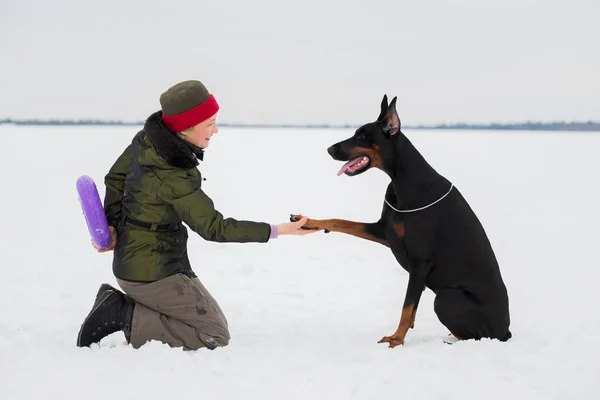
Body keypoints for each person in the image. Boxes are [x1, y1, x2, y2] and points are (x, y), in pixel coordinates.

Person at [76, 80, 315, 350]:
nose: (215, 130)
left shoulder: (148, 141)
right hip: (149, 272)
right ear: (185, 127)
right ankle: (122, 312)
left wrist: (112, 224)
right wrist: (279, 230)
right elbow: (214, 228)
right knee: (213, 336)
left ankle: (125, 304)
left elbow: (115, 178)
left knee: (214, 321)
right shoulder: (174, 173)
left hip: (149, 260)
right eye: (209, 123)